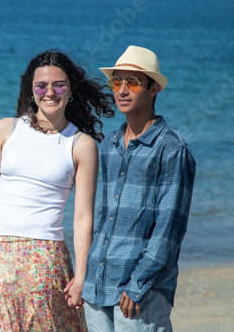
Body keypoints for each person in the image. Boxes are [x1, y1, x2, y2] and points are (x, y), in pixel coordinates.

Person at [0, 50, 114, 331]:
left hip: (46, 259)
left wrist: (81, 274)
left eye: (59, 85)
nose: (50, 92)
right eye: (41, 86)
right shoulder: (6, 130)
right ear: (31, 91)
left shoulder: (81, 144)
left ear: (70, 91)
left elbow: (82, 218)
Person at [66, 45, 197, 331]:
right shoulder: (109, 145)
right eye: (117, 82)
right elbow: (105, 218)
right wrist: (85, 277)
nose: (122, 90)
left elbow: (169, 230)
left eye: (133, 82)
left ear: (153, 90)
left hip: (140, 292)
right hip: (97, 286)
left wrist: (138, 283)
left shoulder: (172, 149)